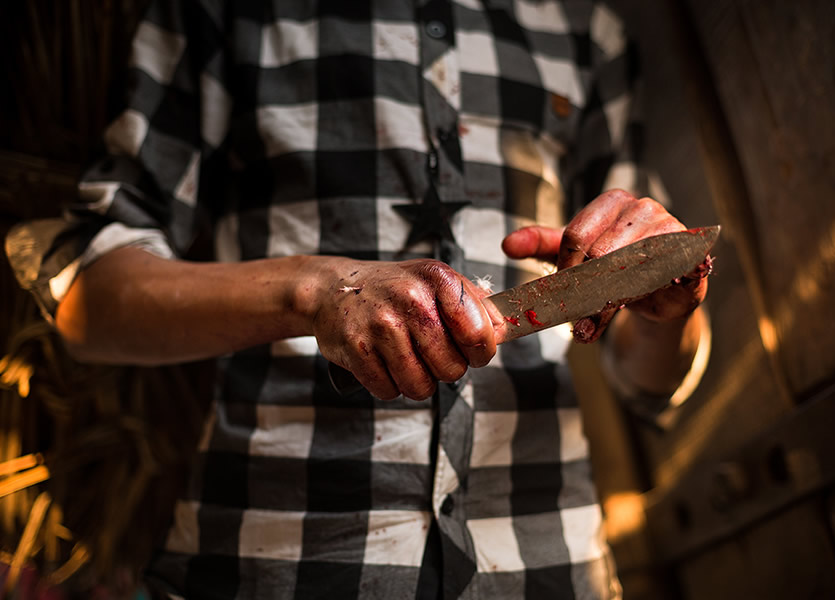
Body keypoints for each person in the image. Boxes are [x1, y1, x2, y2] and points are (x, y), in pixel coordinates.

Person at [6, 1, 711, 598]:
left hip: (553, 569)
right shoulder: (224, 11)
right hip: (273, 566)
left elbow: (649, 381)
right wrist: (315, 292)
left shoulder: (589, 30)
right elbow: (89, 299)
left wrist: (664, 316)